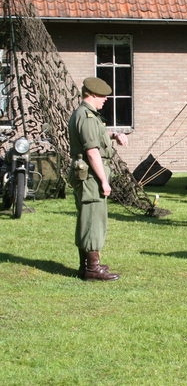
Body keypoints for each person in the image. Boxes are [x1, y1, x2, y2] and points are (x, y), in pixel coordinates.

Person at [68, 77, 128, 281]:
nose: (105, 100)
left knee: (88, 219)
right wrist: (104, 181)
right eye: (103, 96)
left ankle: (86, 265)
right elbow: (92, 151)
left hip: (88, 173)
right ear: (92, 95)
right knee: (93, 220)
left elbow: (99, 134)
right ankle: (92, 269)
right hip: (91, 175)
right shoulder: (86, 116)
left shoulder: (88, 115)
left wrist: (114, 135)